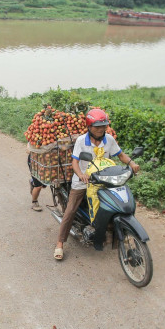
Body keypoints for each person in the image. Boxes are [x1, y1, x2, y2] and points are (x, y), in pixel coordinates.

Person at [54, 108, 140, 260]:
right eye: (97, 126)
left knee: (119, 202)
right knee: (70, 210)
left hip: (104, 179)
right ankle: (60, 243)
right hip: (84, 181)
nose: (101, 129)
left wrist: (131, 163)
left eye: (103, 126)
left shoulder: (109, 139)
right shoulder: (81, 140)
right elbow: (75, 161)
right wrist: (80, 174)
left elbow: (120, 155)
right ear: (89, 126)